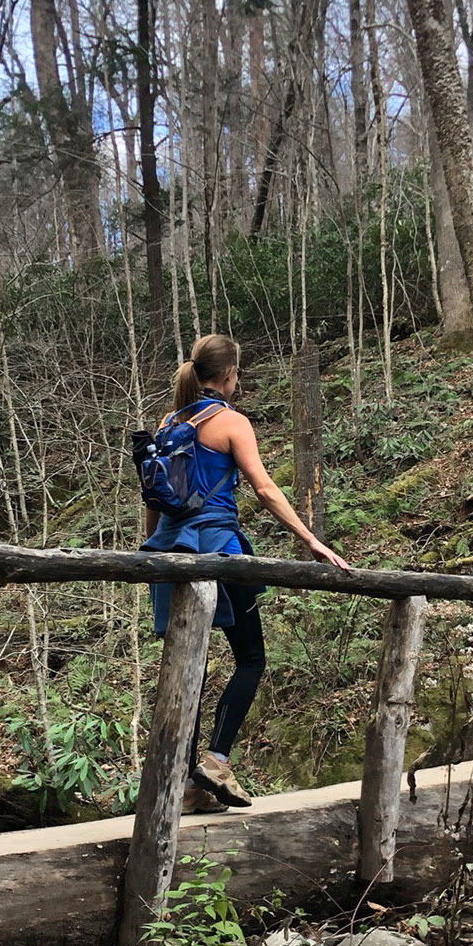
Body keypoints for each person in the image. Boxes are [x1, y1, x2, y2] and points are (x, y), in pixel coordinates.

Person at [142, 333, 349, 810]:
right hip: (218, 547)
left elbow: (155, 495)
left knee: (189, 665)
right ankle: (216, 760)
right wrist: (311, 539)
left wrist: (151, 547)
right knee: (251, 658)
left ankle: (188, 781)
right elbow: (265, 489)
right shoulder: (232, 422)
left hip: (171, 551)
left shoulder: (169, 421)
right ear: (230, 375)